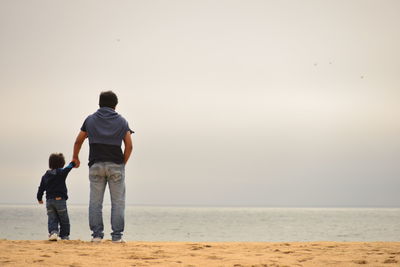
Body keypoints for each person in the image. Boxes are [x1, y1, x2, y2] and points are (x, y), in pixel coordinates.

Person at [72, 91, 133, 243]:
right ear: (115, 105)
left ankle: (97, 236)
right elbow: (129, 146)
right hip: (116, 165)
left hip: (96, 164)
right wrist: (122, 164)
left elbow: (78, 140)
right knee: (118, 202)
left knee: (95, 202)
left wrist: (75, 157)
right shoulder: (122, 121)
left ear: (99, 103)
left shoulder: (90, 120)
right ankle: (117, 237)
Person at [37, 153, 75, 241]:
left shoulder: (45, 176)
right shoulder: (60, 172)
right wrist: (72, 163)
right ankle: (64, 236)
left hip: (49, 201)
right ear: (61, 164)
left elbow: (41, 188)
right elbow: (67, 169)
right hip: (60, 200)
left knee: (52, 218)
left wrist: (39, 198)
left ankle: (53, 233)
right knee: (64, 219)